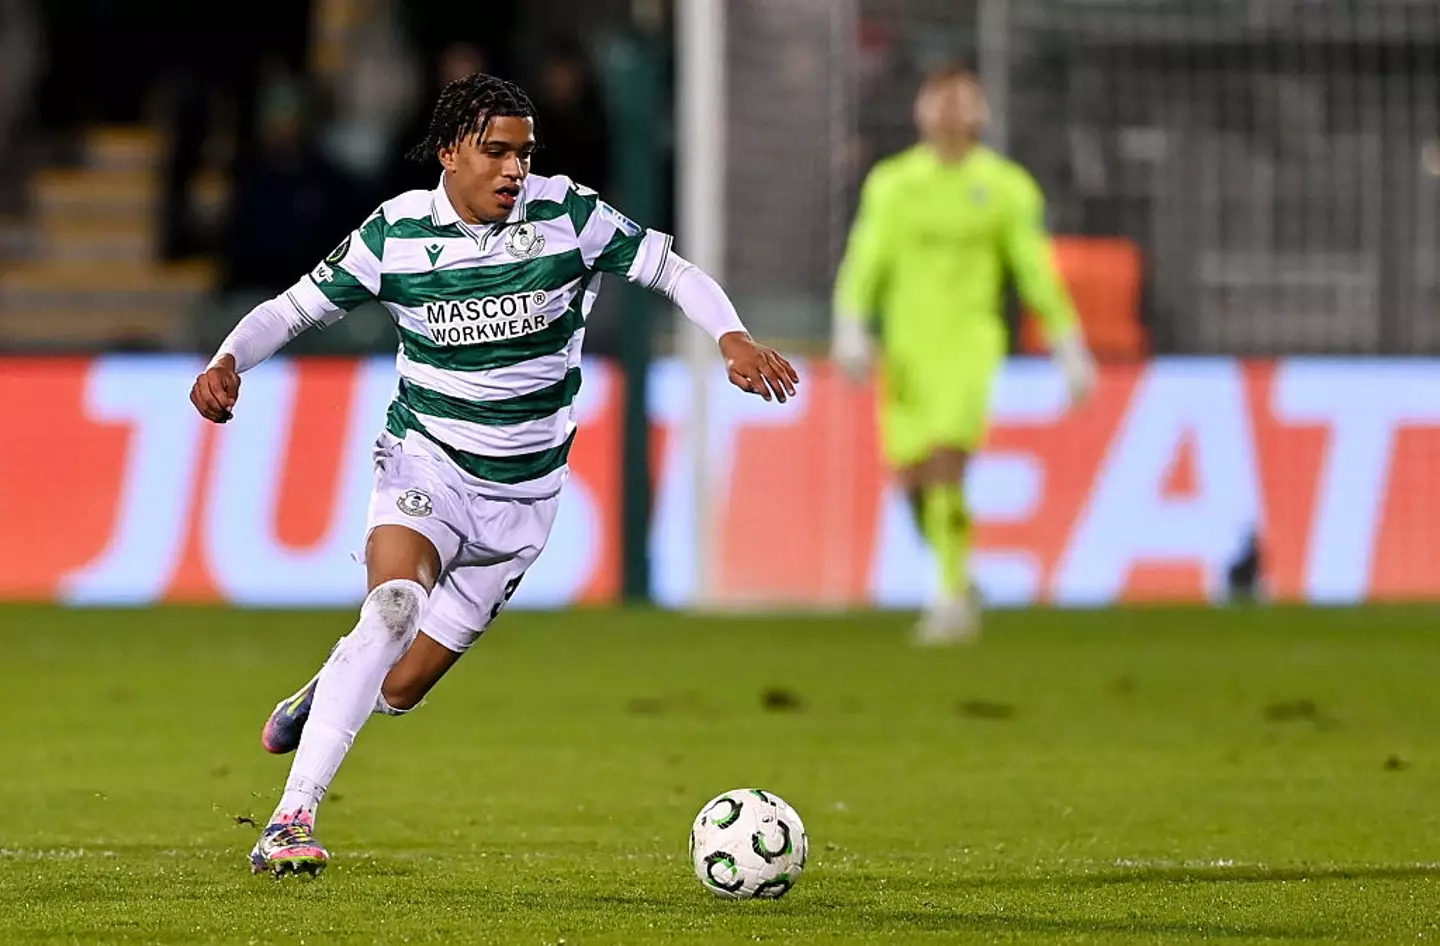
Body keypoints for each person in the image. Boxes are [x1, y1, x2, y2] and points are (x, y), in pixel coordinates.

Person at [189, 73, 799, 877]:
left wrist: (731, 337)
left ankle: (324, 691)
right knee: (393, 607)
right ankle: (290, 819)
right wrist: (230, 356)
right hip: (426, 463)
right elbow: (292, 309)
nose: (515, 169)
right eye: (496, 151)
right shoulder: (396, 233)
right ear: (449, 153)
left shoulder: (568, 216)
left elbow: (674, 271)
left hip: (523, 502)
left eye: (525, 152)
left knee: (399, 687)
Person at [832, 65, 1095, 646]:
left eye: (964, 101)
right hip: (905, 352)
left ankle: (949, 598)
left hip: (968, 345)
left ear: (983, 114)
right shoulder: (894, 184)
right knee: (910, 481)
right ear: (921, 111)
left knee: (948, 461)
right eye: (941, 100)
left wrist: (1068, 343)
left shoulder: (1006, 188)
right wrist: (850, 324)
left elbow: (1035, 273)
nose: (951, 112)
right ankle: (962, 574)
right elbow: (865, 262)